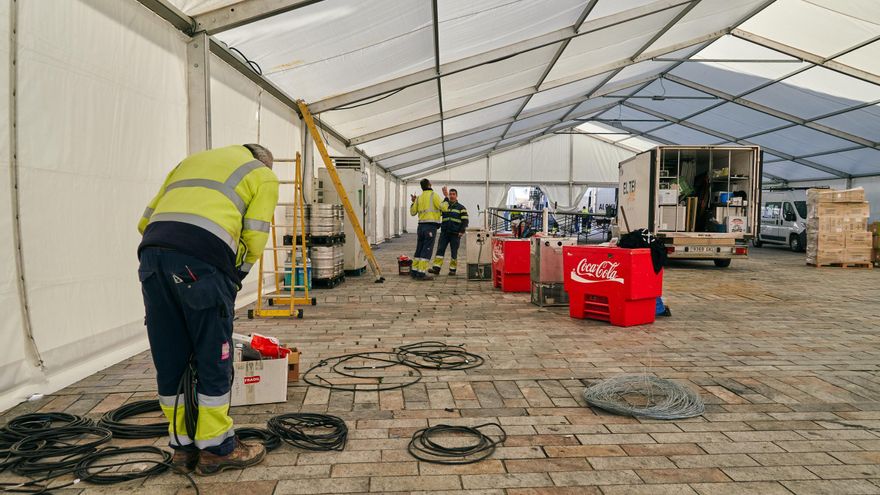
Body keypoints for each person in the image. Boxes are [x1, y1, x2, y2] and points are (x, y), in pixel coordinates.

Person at [137, 144, 278, 475]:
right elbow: (255, 236)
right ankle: (217, 449)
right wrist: (234, 277)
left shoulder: (190, 162)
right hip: (201, 261)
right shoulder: (262, 175)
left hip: (152, 257)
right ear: (263, 161)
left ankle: (182, 447)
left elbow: (144, 221)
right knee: (213, 353)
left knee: (170, 357)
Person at [410, 178, 448, 280]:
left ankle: (414, 271)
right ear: (429, 185)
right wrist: (446, 197)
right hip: (430, 227)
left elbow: (413, 212)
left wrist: (413, 202)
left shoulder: (418, 197)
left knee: (419, 248)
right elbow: (444, 208)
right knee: (427, 249)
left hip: (420, 227)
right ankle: (421, 273)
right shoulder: (433, 195)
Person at [430, 188, 468, 275]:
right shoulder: (445, 206)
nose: (451, 196)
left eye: (453, 194)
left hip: (455, 234)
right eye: (450, 194)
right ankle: (436, 268)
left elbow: (465, 220)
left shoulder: (461, 208)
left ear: (456, 195)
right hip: (444, 233)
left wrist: (462, 231)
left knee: (454, 252)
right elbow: (440, 210)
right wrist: (445, 197)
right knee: (440, 250)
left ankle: (452, 270)